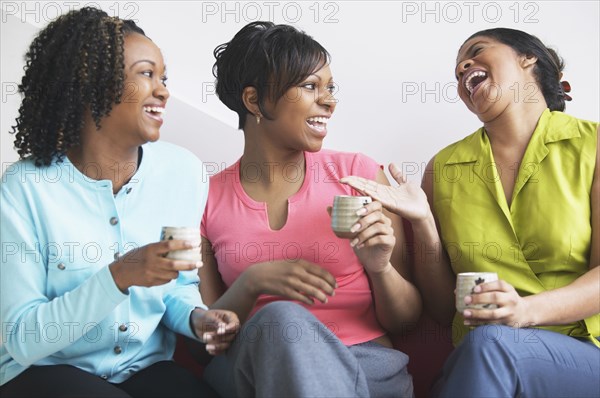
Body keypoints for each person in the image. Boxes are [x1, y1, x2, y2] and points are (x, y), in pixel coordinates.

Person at [341, 28, 600, 397]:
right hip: (481, 356)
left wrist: (523, 312)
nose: (463, 68)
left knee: (492, 345)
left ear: (529, 59)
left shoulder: (593, 144)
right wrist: (423, 222)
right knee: (487, 347)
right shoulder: (443, 167)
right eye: (458, 71)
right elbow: (444, 309)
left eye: (477, 52)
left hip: (585, 353)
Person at [0, 7, 238, 398]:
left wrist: (199, 319)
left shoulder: (183, 172)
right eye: (147, 74)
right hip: (44, 371)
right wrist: (119, 276)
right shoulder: (25, 188)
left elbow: (177, 286)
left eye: (164, 77)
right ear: (91, 85)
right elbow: (24, 338)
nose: (163, 90)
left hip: (143, 368)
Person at [198, 21, 421, 397]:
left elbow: (405, 320)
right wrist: (253, 283)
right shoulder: (204, 198)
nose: (329, 101)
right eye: (310, 86)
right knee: (281, 320)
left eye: (330, 88)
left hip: (362, 367)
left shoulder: (359, 175)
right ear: (254, 101)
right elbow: (204, 336)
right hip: (255, 371)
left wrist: (379, 266)